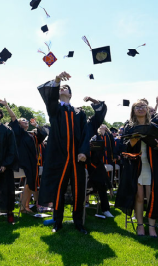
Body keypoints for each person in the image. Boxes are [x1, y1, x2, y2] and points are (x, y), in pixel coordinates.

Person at [37, 71, 107, 234]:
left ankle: (78, 222)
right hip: (59, 158)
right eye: (60, 87)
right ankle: (57, 221)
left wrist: (83, 151)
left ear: (71, 94)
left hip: (76, 158)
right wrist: (57, 80)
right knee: (58, 190)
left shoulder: (79, 112)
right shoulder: (54, 108)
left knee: (78, 190)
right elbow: (51, 98)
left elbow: (85, 133)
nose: (63, 88)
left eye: (66, 87)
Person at [116, 99, 158, 238]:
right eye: (137, 107)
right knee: (139, 196)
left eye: (143, 106)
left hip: (151, 165)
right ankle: (140, 225)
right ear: (133, 111)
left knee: (152, 196)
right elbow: (123, 148)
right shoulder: (129, 127)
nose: (140, 109)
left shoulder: (154, 126)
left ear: (147, 109)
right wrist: (131, 142)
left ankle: (151, 226)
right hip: (136, 166)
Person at [0, 99, 46, 214]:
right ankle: (24, 207)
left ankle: (25, 206)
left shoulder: (31, 135)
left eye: (26, 121)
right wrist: (7, 106)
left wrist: (37, 125)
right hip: (23, 162)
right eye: (23, 120)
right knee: (28, 184)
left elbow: (43, 135)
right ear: (19, 124)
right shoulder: (18, 133)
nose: (26, 121)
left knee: (30, 185)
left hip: (32, 163)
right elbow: (13, 118)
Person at [88, 125, 115, 218]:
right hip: (83, 166)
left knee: (101, 182)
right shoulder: (88, 134)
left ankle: (105, 209)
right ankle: (87, 202)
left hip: (95, 166)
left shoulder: (98, 137)